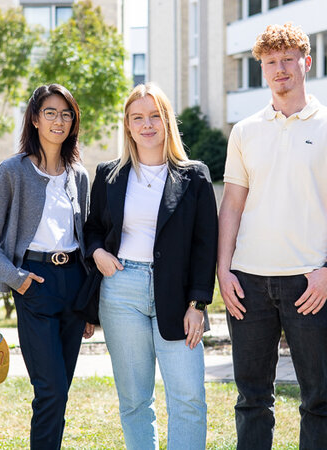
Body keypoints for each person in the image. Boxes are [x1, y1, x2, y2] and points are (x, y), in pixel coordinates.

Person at [218, 23, 327, 449]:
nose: (279, 69)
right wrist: (223, 272)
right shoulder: (245, 130)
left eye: (287, 60)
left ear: (307, 62)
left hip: (310, 282)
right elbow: (231, 205)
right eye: (270, 62)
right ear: (261, 69)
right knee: (251, 399)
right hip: (247, 283)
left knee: (318, 399)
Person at [84, 83, 218, 449]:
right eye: (137, 117)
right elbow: (93, 228)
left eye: (154, 116)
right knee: (134, 401)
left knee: (189, 397)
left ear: (167, 121)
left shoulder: (194, 176)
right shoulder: (109, 173)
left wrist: (197, 304)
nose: (147, 124)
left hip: (176, 296)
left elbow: (206, 245)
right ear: (127, 125)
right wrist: (97, 253)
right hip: (121, 290)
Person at [0, 84, 93, 449]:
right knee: (51, 391)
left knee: (61, 393)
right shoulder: (13, 172)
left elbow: (87, 242)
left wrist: (91, 304)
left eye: (66, 114)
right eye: (51, 113)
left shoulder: (80, 175)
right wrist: (16, 279)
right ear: (35, 119)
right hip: (35, 284)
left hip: (74, 284)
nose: (59, 120)